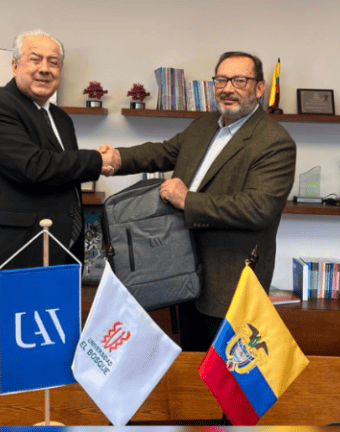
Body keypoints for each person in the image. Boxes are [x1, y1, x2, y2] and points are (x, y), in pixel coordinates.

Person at [100, 51, 297, 351]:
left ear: (259, 88)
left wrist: (187, 200)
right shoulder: (205, 125)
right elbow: (164, 152)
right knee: (190, 363)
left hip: (229, 284)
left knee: (227, 371)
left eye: (239, 80)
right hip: (182, 272)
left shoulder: (274, 141)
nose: (227, 88)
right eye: (221, 80)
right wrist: (117, 158)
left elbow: (258, 209)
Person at [0, 30, 117, 345]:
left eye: (53, 62)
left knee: (45, 357)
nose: (45, 68)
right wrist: (97, 161)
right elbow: (33, 167)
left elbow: (63, 174)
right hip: (7, 262)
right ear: (15, 65)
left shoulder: (60, 118)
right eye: (36, 59)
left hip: (55, 257)